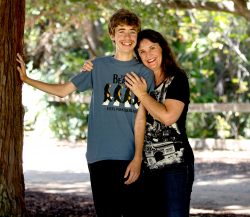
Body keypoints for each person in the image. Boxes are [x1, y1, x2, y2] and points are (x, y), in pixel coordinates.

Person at [17, 9, 154, 217]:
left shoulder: (145, 72)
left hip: (129, 157)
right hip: (99, 155)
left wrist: (137, 158)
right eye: (121, 31)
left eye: (132, 31)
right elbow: (63, 90)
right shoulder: (97, 67)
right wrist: (27, 79)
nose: (127, 37)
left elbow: (141, 118)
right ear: (111, 35)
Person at [125, 29, 195, 217]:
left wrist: (142, 95)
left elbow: (167, 117)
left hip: (175, 166)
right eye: (142, 51)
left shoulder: (177, 79)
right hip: (145, 167)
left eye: (152, 48)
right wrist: (91, 66)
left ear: (162, 48)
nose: (148, 55)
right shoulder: (140, 81)